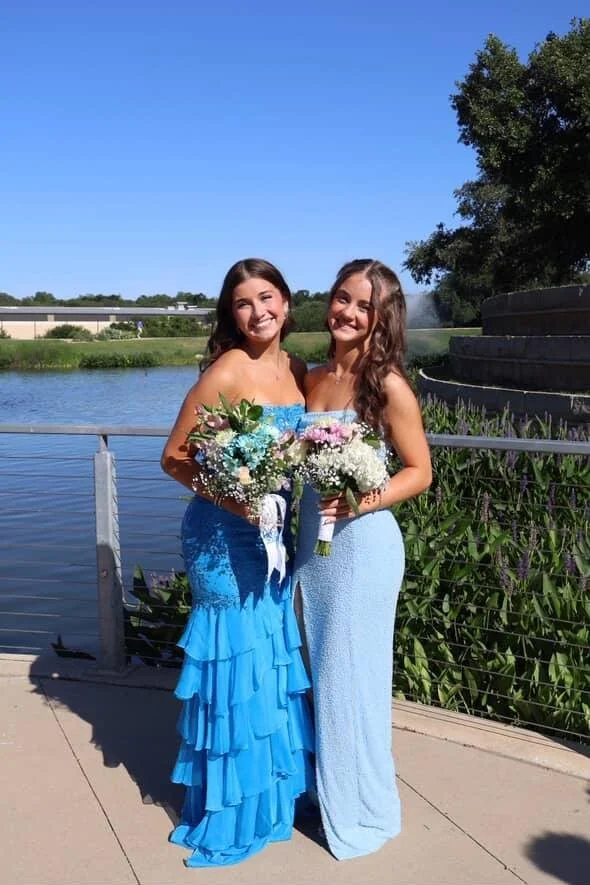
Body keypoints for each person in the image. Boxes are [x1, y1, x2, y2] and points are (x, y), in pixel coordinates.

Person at [161, 258, 314, 867]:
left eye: (268, 297)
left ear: (286, 301)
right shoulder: (225, 371)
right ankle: (227, 812)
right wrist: (240, 503)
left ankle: (270, 799)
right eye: (244, 303)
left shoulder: (297, 369)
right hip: (223, 539)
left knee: (269, 655)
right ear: (231, 313)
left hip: (273, 538)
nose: (259, 312)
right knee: (235, 663)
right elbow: (174, 458)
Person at [292, 258, 432, 860]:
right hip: (307, 544)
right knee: (310, 669)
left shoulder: (388, 385)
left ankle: (361, 809)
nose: (347, 313)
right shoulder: (308, 378)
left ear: (381, 317)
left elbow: (421, 471)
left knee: (350, 679)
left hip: (362, 546)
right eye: (342, 299)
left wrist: (359, 500)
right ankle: (319, 788)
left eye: (364, 306)